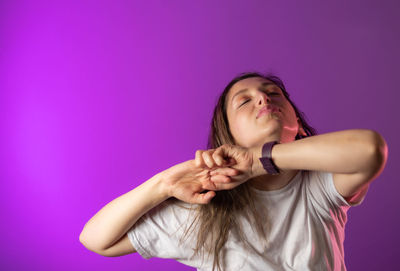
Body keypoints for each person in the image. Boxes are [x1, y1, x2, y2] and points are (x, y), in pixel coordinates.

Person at [79, 72, 388, 271]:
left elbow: (370, 150)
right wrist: (163, 184)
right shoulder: (205, 208)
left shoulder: (317, 183)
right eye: (244, 101)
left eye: (274, 93)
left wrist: (256, 161)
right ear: (227, 136)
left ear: (297, 121)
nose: (264, 98)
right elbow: (96, 239)